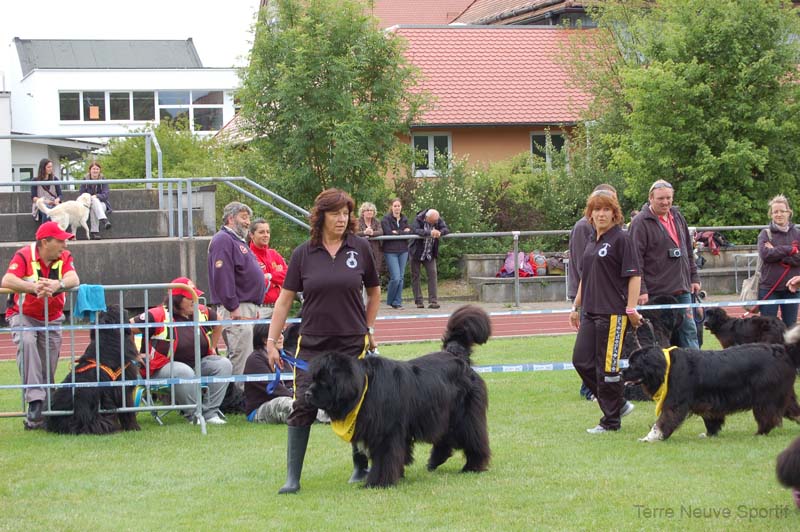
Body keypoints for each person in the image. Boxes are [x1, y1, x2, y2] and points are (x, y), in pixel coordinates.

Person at [265, 188, 380, 494]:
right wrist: (272, 340)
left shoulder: (361, 248)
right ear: (321, 216)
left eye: (346, 213)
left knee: (357, 405)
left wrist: (367, 327)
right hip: (313, 344)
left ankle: (360, 465)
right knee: (303, 402)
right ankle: (293, 478)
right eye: (335, 213)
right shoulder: (304, 253)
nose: (342, 219)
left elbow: (374, 292)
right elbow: (284, 301)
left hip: (352, 343)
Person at [569, 191, 641, 434]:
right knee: (581, 360)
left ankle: (610, 421)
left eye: (606, 209)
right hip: (590, 311)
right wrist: (576, 306)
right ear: (590, 214)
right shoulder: (591, 240)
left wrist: (631, 308)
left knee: (607, 368)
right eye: (596, 210)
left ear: (614, 213)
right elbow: (584, 277)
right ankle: (618, 404)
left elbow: (634, 276)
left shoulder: (621, 239)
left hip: (613, 314)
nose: (601, 214)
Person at [2, 221, 80, 429]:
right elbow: (7, 280)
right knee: (27, 341)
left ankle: (41, 412)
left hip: (52, 317)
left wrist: (58, 284)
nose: (65, 245)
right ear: (45, 242)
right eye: (61, 241)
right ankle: (36, 401)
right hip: (23, 314)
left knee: (48, 362)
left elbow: (74, 278)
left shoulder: (64, 258)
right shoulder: (24, 255)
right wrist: (33, 287)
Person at [131, 277, 230, 425]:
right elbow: (127, 327)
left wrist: (212, 348)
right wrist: (134, 353)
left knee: (224, 364)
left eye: (196, 295)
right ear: (177, 299)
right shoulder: (157, 314)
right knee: (183, 371)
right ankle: (194, 415)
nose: (194, 300)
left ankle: (210, 413)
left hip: (197, 364)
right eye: (190, 297)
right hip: (162, 368)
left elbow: (218, 323)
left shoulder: (201, 311)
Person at [628, 179, 701, 349]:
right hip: (655, 292)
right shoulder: (640, 223)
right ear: (651, 198)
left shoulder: (677, 217)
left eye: (669, 198)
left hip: (682, 288)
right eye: (661, 198)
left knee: (689, 332)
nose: (665, 202)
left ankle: (696, 372)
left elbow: (687, 250)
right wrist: (641, 289)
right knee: (656, 337)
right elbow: (635, 259)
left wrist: (694, 277)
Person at [568, 184, 617, 402]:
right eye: (601, 206)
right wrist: (577, 304)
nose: (604, 211)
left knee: (602, 351)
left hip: (606, 299)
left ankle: (608, 396)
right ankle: (590, 390)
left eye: (610, 205)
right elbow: (583, 268)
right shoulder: (582, 228)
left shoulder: (616, 234)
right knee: (585, 352)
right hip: (586, 295)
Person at [207, 202, 266, 384]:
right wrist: (233, 306)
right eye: (243, 217)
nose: (248, 222)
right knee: (240, 354)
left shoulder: (236, 241)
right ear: (231, 218)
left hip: (247, 307)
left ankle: (243, 393)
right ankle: (238, 395)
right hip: (237, 309)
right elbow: (222, 275)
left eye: (248, 217)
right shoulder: (223, 240)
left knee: (247, 351)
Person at [244, 323, 328, 424]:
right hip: (261, 408)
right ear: (265, 339)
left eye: (282, 333)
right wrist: (297, 397)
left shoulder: (288, 356)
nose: (281, 337)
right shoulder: (255, 360)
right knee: (283, 403)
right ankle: (327, 418)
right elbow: (273, 389)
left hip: (290, 397)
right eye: (277, 334)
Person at [756, 195, 800, 326]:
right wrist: (789, 249)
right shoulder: (765, 234)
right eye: (775, 212)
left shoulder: (797, 234)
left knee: (790, 327)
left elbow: (798, 258)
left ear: (789, 212)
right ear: (771, 214)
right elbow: (765, 255)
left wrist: (776, 250)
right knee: (767, 329)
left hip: (791, 289)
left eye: (782, 211)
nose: (779, 214)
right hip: (769, 288)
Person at [409, 208, 449, 309]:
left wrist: (440, 232)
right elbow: (415, 230)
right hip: (416, 252)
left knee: (433, 275)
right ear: (427, 218)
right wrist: (430, 232)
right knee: (416, 276)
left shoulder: (437, 219)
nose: (436, 222)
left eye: (436, 221)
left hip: (429, 253)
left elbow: (446, 229)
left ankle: (433, 301)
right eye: (433, 221)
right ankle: (419, 301)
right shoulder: (418, 219)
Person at [248, 218, 287, 320]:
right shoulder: (248, 256)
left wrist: (270, 276)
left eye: (268, 232)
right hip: (259, 309)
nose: (266, 235)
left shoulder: (273, 254)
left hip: (278, 307)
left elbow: (289, 276)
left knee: (279, 336)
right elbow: (258, 283)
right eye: (261, 232)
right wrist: (277, 277)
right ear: (251, 235)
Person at [380, 198, 411, 309]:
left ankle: (397, 302)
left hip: (403, 250)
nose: (397, 208)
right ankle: (390, 300)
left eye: (399, 206)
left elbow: (410, 231)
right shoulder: (385, 219)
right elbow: (388, 232)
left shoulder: (404, 218)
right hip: (390, 251)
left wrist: (397, 232)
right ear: (391, 207)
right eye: (395, 206)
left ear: (401, 207)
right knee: (396, 277)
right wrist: (402, 232)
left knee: (401, 277)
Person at [78, 161, 112, 240]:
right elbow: (81, 193)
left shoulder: (103, 180)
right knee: (93, 203)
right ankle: (104, 220)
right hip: (87, 205)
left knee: (95, 202)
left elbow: (105, 195)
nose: (95, 171)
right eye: (93, 169)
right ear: (90, 170)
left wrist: (96, 196)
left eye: (97, 169)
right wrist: (90, 198)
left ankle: (95, 232)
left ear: (100, 170)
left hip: (102, 204)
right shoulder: (85, 179)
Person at [357, 201, 384, 280]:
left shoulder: (377, 221)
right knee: (362, 274)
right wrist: (364, 232)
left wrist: (372, 233)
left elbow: (381, 232)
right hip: (361, 250)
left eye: (371, 210)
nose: (369, 212)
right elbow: (353, 233)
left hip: (375, 252)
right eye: (367, 210)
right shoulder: (357, 221)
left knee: (375, 274)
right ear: (363, 212)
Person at [31, 158, 62, 225]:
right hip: (41, 204)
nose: (51, 169)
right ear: (43, 168)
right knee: (47, 211)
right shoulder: (35, 180)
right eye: (48, 167)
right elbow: (34, 197)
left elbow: (60, 194)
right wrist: (45, 201)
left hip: (53, 203)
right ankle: (46, 233)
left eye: (51, 167)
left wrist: (57, 199)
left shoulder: (55, 179)